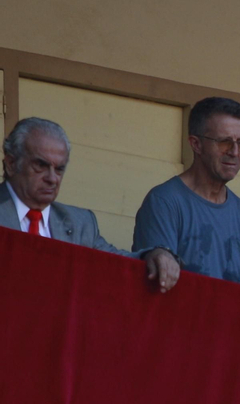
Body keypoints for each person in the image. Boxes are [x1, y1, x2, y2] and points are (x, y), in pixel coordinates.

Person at [1, 117, 178, 292]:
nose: (52, 178)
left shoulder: (81, 224)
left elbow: (120, 263)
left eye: (59, 169)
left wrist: (155, 254)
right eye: (40, 165)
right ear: (11, 164)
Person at [132, 96, 240, 287]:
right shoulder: (164, 202)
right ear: (196, 144)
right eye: (224, 142)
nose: (235, 152)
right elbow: (158, 285)